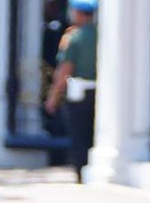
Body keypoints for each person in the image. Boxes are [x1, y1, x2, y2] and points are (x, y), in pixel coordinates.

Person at [44, 0, 96, 182]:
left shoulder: (74, 37)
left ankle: (81, 171)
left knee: (78, 133)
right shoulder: (101, 34)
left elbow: (65, 69)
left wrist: (53, 97)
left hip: (79, 92)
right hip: (98, 93)